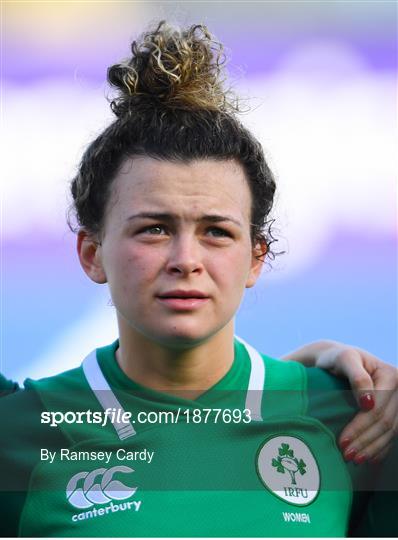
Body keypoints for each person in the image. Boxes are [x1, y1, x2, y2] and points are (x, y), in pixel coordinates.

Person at [0, 21, 396, 537]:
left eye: (215, 232)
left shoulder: (359, 420)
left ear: (256, 258)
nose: (186, 259)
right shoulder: (19, 430)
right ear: (92, 252)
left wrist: (315, 373)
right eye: (154, 229)